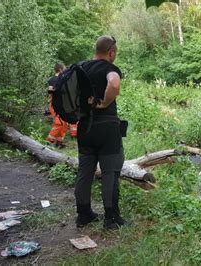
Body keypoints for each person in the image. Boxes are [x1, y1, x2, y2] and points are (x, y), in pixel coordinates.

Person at [74, 36, 127, 230]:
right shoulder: (109, 69)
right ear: (111, 52)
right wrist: (104, 103)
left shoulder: (81, 68)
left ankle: (83, 214)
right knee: (110, 173)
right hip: (107, 129)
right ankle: (111, 218)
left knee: (85, 171)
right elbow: (113, 84)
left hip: (84, 127)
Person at [46, 63, 68, 148]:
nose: (66, 69)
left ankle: (59, 142)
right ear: (60, 69)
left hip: (60, 104)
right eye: (64, 68)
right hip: (55, 104)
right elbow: (50, 90)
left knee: (64, 123)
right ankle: (48, 142)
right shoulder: (55, 79)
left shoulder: (61, 78)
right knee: (59, 123)